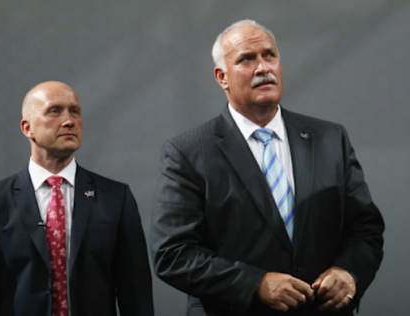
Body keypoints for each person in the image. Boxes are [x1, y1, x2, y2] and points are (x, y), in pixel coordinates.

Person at [152, 20, 384, 316]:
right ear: (222, 77)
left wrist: (349, 273)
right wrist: (255, 284)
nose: (263, 67)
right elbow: (173, 254)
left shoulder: (330, 139)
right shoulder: (188, 153)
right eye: (247, 59)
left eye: (269, 55)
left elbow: (366, 229)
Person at [0, 81, 154, 316]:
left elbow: (137, 297)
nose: (69, 120)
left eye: (75, 111)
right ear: (27, 128)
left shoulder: (116, 199)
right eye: (54, 111)